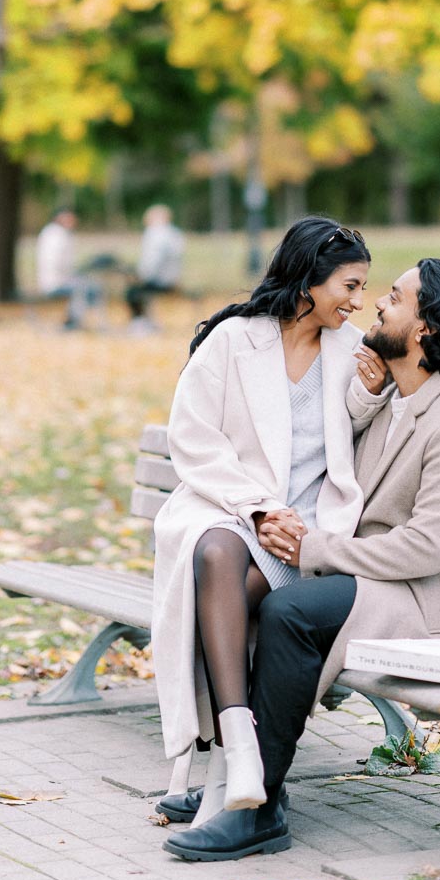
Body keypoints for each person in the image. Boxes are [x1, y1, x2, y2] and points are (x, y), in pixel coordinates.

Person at [162, 257, 440, 861]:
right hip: (377, 582)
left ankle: (262, 806)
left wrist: (314, 549)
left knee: (290, 610)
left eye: (397, 299)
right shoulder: (394, 400)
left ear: (424, 328)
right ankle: (230, 783)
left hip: (425, 602)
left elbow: (427, 548)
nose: (379, 303)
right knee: (237, 585)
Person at [150, 217, 388, 834]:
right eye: (350, 285)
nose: (358, 300)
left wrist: (369, 396)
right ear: (309, 279)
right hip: (226, 505)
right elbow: (194, 440)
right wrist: (256, 507)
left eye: (364, 288)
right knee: (215, 555)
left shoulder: (351, 349)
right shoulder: (234, 340)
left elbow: (351, 442)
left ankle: (228, 765)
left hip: (301, 528)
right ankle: (241, 745)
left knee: (223, 597)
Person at [34, 207, 95, 330]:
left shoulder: (54, 233)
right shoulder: (57, 235)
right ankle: (73, 322)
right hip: (56, 281)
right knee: (88, 288)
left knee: (86, 286)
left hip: (57, 279)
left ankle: (73, 320)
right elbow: (57, 263)